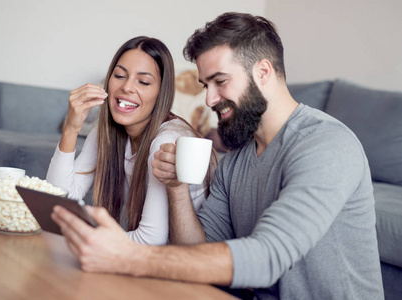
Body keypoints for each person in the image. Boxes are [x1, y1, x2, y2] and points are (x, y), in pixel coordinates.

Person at [51, 13, 384, 299]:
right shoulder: (237, 159)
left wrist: (129, 257)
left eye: (220, 81)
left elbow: (268, 257)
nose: (209, 99)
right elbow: (197, 251)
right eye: (204, 85)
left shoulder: (326, 144)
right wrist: (177, 186)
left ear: (263, 72)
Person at [46, 36, 216, 246]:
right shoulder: (106, 133)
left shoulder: (166, 140)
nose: (126, 87)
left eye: (143, 82)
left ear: (161, 93)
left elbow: (150, 239)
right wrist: (71, 128)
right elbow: (58, 201)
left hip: (180, 263)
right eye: (119, 75)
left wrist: (86, 238)